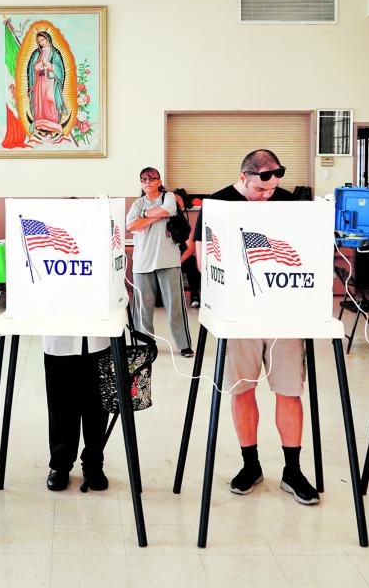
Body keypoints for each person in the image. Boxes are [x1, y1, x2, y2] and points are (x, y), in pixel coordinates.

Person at [193, 148, 319, 505]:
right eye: (260, 191)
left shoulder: (286, 203)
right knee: (242, 389)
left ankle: (292, 471)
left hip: (283, 312)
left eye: (272, 190)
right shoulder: (217, 204)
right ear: (244, 176)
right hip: (239, 315)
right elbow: (204, 261)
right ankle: (251, 464)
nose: (267, 197)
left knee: (289, 390)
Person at [126, 167, 194, 358]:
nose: (147, 181)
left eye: (151, 178)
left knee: (175, 306)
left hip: (168, 261)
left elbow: (169, 210)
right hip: (142, 263)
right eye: (143, 179)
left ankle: (184, 345)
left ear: (159, 180)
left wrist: (145, 216)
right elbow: (130, 225)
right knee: (142, 309)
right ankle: (144, 346)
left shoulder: (168, 197)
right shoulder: (138, 203)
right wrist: (154, 215)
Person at [43, 335, 110, 491]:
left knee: (97, 405)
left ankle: (94, 463)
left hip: (98, 334)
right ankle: (60, 465)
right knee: (60, 404)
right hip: (60, 335)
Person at [27, 31, 67, 139]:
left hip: (50, 82)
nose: (41, 43)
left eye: (42, 40)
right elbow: (33, 69)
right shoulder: (37, 53)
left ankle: (53, 125)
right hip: (39, 82)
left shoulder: (55, 53)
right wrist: (38, 65)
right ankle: (40, 124)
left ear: (48, 39)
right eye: (39, 41)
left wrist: (48, 64)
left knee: (50, 101)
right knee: (40, 102)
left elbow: (59, 70)